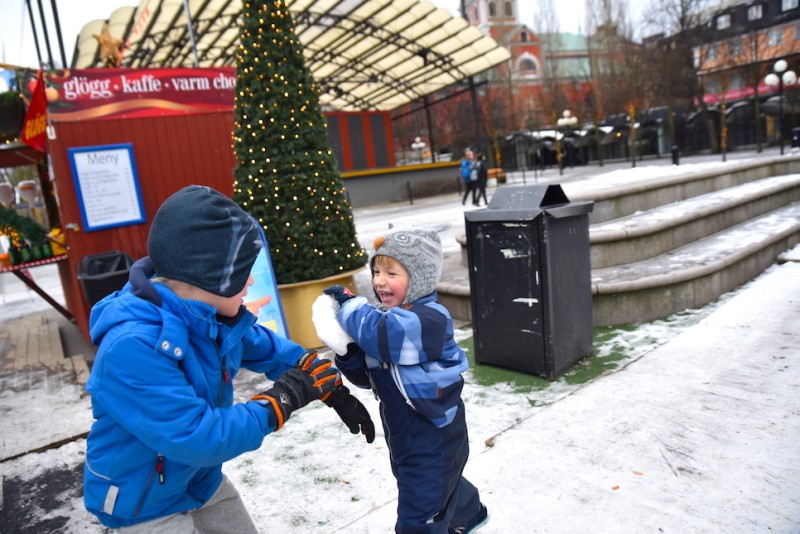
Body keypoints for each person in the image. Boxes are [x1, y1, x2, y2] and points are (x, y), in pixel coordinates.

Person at [82, 185, 374, 532]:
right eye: (242, 272)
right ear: (210, 275)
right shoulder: (131, 348)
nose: (251, 280)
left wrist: (322, 382)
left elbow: (266, 347)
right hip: (143, 503)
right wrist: (280, 402)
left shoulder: (210, 317)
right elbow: (197, 436)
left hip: (199, 481)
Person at [312, 224, 489, 534]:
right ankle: (468, 511)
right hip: (406, 433)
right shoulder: (386, 318)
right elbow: (369, 377)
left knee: (419, 515)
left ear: (418, 278)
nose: (380, 281)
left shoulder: (428, 319)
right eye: (377, 272)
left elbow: (379, 336)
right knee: (436, 482)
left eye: (391, 274)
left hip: (435, 435)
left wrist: (347, 304)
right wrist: (347, 352)